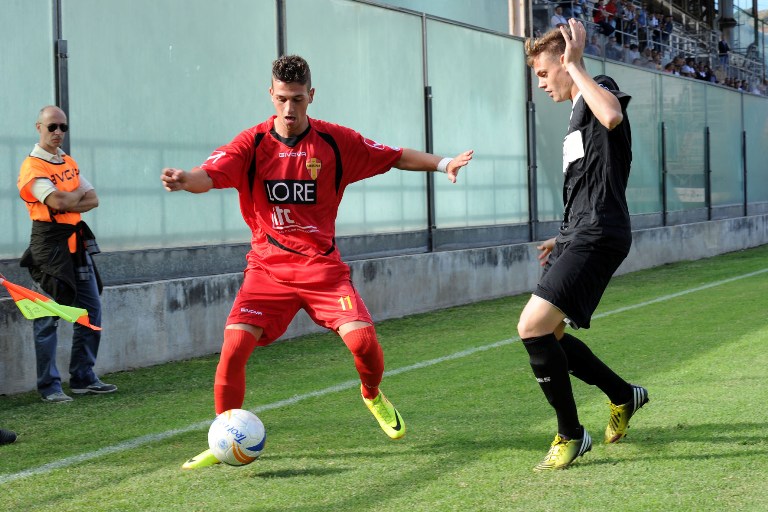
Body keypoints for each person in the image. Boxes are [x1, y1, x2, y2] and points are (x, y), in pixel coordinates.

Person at [161, 55, 473, 470]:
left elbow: (394, 155)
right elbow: (208, 175)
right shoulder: (251, 144)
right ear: (270, 95)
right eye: (283, 99)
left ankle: (372, 395)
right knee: (233, 348)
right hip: (267, 270)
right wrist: (185, 182)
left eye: (298, 100)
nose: (290, 110)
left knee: (363, 343)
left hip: (322, 270)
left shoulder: (334, 142)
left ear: (312, 96)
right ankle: (224, 436)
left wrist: (442, 163)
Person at [522, 19, 648, 471]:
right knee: (550, 335)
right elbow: (591, 182)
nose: (541, 84)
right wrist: (563, 234)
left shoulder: (600, 90)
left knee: (531, 326)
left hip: (599, 233)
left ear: (562, 61)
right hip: (581, 231)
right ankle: (623, 394)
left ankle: (572, 434)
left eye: (542, 73)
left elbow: (613, 115)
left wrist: (577, 66)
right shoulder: (578, 114)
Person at [17, 106, 117, 403]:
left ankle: (83, 377)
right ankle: (49, 386)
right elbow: (58, 200)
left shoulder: (68, 162)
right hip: (49, 248)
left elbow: (93, 199)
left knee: (91, 310)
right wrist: (71, 199)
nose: (58, 132)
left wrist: (66, 202)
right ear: (39, 127)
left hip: (76, 245)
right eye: (52, 127)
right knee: (48, 317)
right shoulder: (33, 166)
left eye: (63, 127)